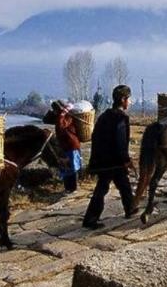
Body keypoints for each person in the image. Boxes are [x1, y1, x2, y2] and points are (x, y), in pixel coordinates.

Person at [83, 85, 137, 229]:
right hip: (113, 162)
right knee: (103, 189)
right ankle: (90, 219)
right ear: (123, 99)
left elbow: (95, 137)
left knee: (123, 184)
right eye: (128, 99)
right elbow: (120, 142)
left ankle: (130, 208)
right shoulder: (121, 118)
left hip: (103, 160)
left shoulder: (104, 116)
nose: (129, 103)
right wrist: (126, 160)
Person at [45, 100, 82, 193]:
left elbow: (61, 126)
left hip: (71, 145)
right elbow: (45, 120)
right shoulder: (61, 116)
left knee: (72, 167)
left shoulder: (67, 116)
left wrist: (61, 115)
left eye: (55, 110)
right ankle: (68, 188)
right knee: (65, 167)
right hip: (64, 146)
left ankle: (73, 188)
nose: (54, 112)